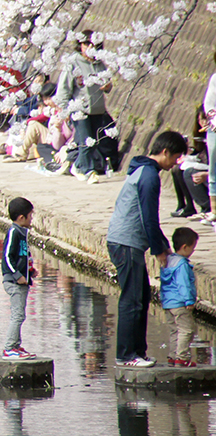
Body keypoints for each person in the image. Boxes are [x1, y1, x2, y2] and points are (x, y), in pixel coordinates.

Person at [105, 130, 187, 368]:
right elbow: (148, 217)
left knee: (140, 297)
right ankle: (126, 355)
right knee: (132, 299)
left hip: (128, 240)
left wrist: (162, 243)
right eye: (175, 157)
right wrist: (159, 249)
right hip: (126, 240)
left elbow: (149, 218)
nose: (175, 163)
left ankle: (137, 352)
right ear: (165, 152)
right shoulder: (149, 175)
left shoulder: (143, 170)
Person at [56, 31, 119, 182]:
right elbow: (64, 88)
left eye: (93, 44)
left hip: (97, 109)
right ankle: (89, 171)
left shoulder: (99, 64)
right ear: (80, 45)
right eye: (86, 44)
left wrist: (108, 85)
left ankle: (77, 165)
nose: (89, 47)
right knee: (85, 140)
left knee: (93, 141)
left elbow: (107, 85)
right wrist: (64, 110)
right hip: (79, 110)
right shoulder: (73, 63)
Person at [0, 197, 37, 360]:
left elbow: (23, 255)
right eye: (30, 216)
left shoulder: (23, 233)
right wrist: (18, 276)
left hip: (22, 280)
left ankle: (16, 346)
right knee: (17, 315)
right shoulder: (14, 232)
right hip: (14, 282)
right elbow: (7, 257)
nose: (32, 219)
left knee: (20, 314)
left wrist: (31, 271)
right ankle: (9, 348)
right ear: (21, 217)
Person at [161, 227, 199, 367]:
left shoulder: (169, 261)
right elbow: (183, 284)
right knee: (186, 330)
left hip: (168, 303)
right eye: (192, 247)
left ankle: (173, 356)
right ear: (185, 247)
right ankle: (182, 358)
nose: (193, 251)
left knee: (174, 331)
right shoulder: (182, 264)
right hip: (180, 303)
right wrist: (188, 300)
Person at [203, 50, 216, 218]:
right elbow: (209, 105)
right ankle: (214, 210)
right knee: (214, 167)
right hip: (215, 128)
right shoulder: (215, 79)